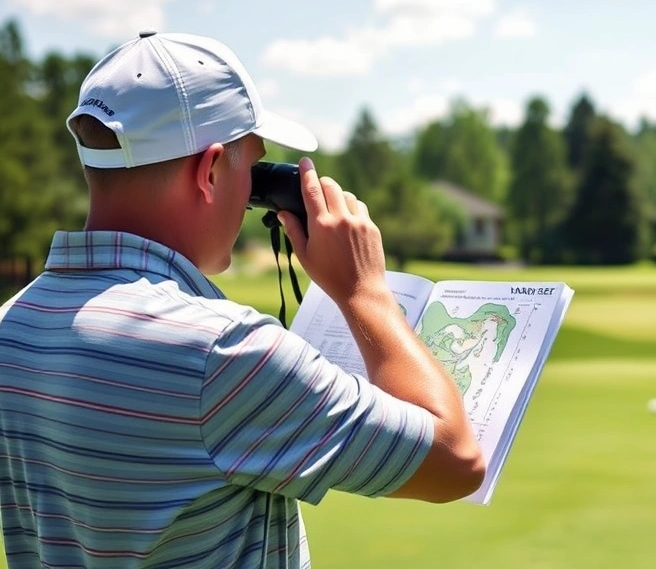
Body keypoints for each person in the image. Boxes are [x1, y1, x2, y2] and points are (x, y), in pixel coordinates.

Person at [0, 31, 484, 568]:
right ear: (208, 171)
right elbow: (455, 461)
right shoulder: (221, 352)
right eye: (251, 166)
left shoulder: (13, 325)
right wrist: (364, 290)